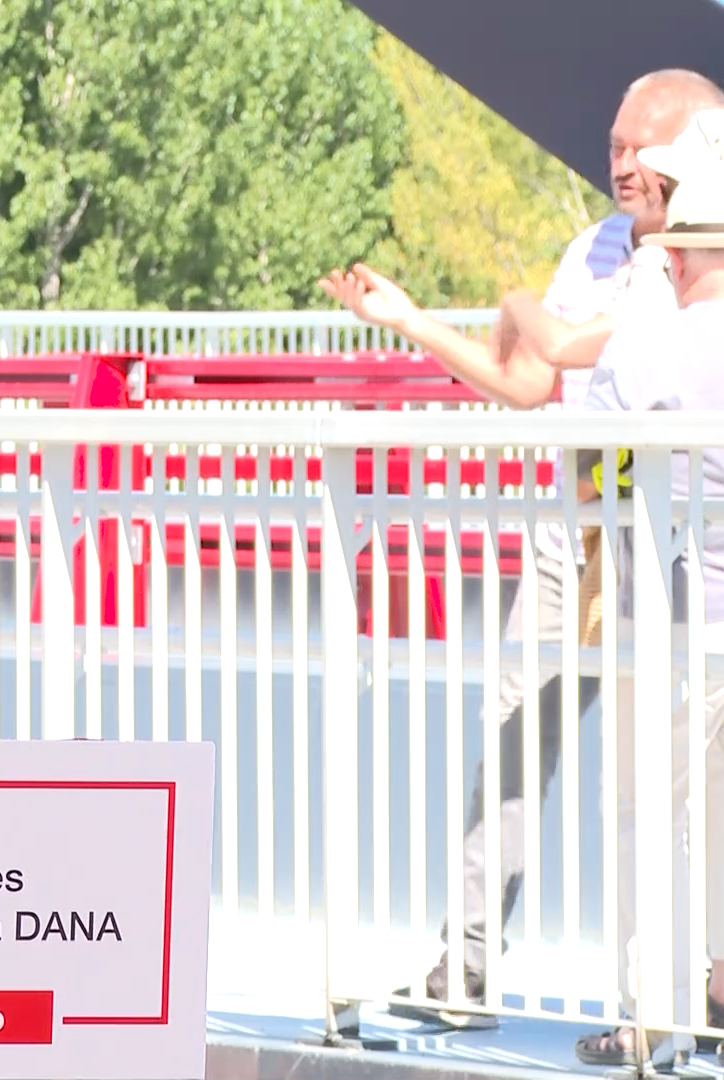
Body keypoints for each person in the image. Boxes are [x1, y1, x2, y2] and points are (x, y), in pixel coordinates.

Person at [317, 68, 724, 1030]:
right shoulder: (597, 246)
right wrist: (413, 322)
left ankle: (681, 995)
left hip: (673, 546)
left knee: (672, 776)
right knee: (519, 736)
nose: (621, 163)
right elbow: (530, 376)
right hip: (582, 536)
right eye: (615, 144)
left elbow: (572, 343)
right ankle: (466, 967)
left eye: (640, 148)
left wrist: (516, 303)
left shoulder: (688, 271)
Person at [565, 138, 724, 1068]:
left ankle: (649, 1018)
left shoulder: (653, 343)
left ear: (680, 254)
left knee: (641, 810)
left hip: (667, 616)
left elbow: (588, 449)